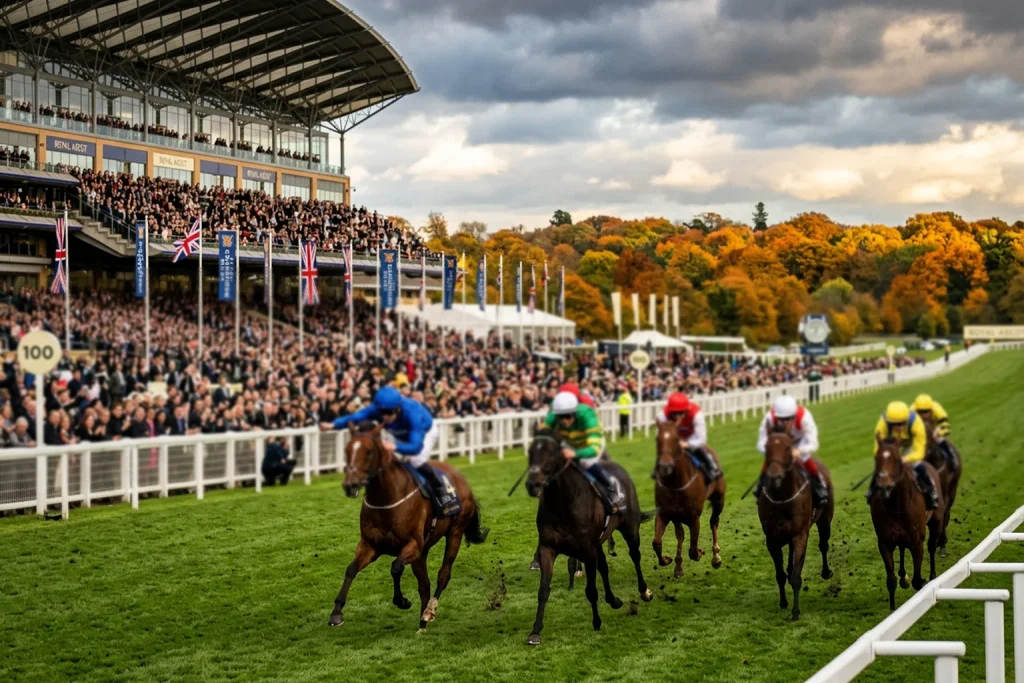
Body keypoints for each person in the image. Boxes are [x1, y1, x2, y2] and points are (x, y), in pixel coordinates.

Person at [325, 386, 456, 516]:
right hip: (398, 431)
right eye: (382, 412)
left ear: (398, 408)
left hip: (425, 432)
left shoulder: (413, 413)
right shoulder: (380, 408)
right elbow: (356, 417)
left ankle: (441, 490)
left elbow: (415, 447)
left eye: (389, 413)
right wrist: (333, 424)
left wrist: (396, 447)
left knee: (415, 459)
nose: (385, 416)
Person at [544, 391, 624, 513]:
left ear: (574, 413)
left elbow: (594, 449)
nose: (564, 421)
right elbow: (543, 433)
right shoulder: (554, 416)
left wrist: (576, 454)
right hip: (570, 442)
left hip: (590, 444)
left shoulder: (587, 416)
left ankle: (611, 486)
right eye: (561, 417)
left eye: (567, 416)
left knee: (586, 462)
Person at [754, 396, 827, 507]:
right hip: (779, 446)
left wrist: (798, 451)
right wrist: (771, 451)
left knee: (805, 459)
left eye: (787, 419)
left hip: (800, 444)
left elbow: (813, 442)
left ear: (794, 416)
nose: (783, 423)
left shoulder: (804, 417)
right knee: (772, 461)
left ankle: (819, 487)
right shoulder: (769, 418)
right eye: (780, 419)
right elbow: (761, 442)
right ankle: (760, 486)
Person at [867, 401, 937, 510]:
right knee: (882, 468)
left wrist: (907, 458)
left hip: (910, 446)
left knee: (918, 465)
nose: (899, 427)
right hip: (891, 447)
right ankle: (871, 490)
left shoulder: (916, 423)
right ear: (889, 423)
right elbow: (878, 449)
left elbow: (920, 451)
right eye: (895, 424)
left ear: (907, 420)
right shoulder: (883, 423)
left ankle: (931, 491)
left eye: (902, 424)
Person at [656, 392, 721, 484]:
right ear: (670, 410)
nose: (678, 416)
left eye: (681, 412)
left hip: (692, 436)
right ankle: (656, 471)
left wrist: (687, 444)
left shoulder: (697, 415)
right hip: (674, 437)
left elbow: (702, 439)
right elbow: (660, 436)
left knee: (697, 449)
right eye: (675, 413)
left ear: (686, 410)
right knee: (665, 451)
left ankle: (712, 467)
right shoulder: (662, 416)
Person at [911, 394, 958, 470]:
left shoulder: (938, 410)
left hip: (934, 426)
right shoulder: (911, 412)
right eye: (920, 412)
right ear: (916, 410)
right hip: (919, 428)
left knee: (938, 438)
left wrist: (940, 433)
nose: (923, 415)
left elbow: (946, 428)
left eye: (926, 412)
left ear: (931, 410)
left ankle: (951, 458)